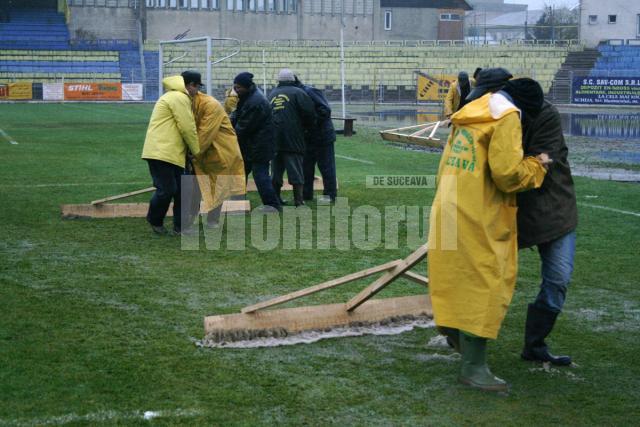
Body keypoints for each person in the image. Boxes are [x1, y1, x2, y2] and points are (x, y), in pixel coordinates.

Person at [427, 68, 551, 392]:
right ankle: (474, 367)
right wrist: (537, 166)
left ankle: (451, 329)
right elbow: (507, 174)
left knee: (454, 276)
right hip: (479, 212)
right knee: (487, 283)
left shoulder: (469, 114)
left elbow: (444, 166)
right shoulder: (507, 117)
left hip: (449, 205)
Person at [502, 78, 578, 366]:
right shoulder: (496, 113)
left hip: (554, 210)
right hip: (508, 208)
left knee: (558, 279)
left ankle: (534, 345)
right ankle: (463, 332)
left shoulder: (545, 115)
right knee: (484, 273)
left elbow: (535, 163)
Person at [181, 71, 246, 229]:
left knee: (218, 187)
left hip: (221, 152)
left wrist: (190, 154)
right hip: (203, 151)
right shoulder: (187, 101)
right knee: (195, 187)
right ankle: (189, 220)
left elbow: (205, 134)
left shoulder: (210, 105)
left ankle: (212, 220)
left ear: (194, 86)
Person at [141, 74, 200, 235]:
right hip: (161, 152)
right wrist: (196, 151)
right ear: (190, 85)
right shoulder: (179, 98)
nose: (198, 91)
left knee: (182, 191)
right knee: (167, 190)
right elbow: (187, 128)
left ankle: (180, 227)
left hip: (171, 152)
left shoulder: (173, 96)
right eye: (197, 87)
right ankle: (154, 219)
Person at [231, 72, 281, 211]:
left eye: (238, 88)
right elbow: (238, 117)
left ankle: (272, 205)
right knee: (241, 173)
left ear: (247, 87)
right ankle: (238, 201)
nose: (236, 90)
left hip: (258, 146)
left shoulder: (255, 102)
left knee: (260, 176)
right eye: (235, 87)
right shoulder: (248, 97)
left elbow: (244, 127)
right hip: (252, 145)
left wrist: (228, 135)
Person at [269, 69, 316, 206]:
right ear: (293, 80)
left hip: (274, 140)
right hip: (293, 139)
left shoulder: (271, 94)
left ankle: (276, 199)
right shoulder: (299, 93)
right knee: (295, 170)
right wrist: (306, 131)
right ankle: (299, 201)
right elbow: (310, 115)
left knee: (276, 171)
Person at [294, 76, 337, 203]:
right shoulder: (297, 93)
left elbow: (325, 110)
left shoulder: (310, 92)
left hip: (322, 136)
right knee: (306, 167)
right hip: (308, 137)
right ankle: (307, 194)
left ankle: (330, 195)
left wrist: (310, 122)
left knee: (326, 167)